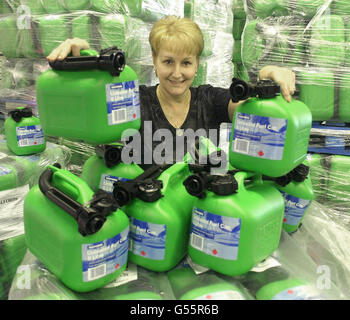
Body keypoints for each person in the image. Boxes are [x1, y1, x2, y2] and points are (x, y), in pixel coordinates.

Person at [46, 15, 296, 168]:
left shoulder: (208, 99)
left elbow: (250, 110)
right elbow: (90, 105)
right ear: (155, 61)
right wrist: (83, 60)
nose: (177, 73)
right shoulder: (134, 102)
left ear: (197, 64)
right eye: (168, 62)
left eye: (186, 63)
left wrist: (268, 75)